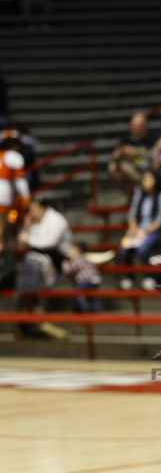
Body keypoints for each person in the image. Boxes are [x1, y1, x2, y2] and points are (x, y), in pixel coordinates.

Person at [15, 199, 72, 338]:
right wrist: (27, 227)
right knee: (27, 269)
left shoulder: (57, 220)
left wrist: (27, 240)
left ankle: (36, 321)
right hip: (35, 262)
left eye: (33, 209)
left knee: (32, 269)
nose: (30, 212)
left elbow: (48, 243)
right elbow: (21, 245)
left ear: (42, 208)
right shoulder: (32, 221)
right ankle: (28, 322)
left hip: (58, 261)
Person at [117, 170, 161, 289]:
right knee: (124, 249)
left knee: (142, 250)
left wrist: (145, 232)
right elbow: (132, 214)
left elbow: (160, 220)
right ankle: (128, 277)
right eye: (144, 179)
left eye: (149, 179)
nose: (146, 182)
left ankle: (149, 276)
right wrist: (133, 229)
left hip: (155, 231)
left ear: (155, 180)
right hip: (138, 231)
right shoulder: (139, 194)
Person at [108, 111, 156, 188]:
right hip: (130, 172)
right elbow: (114, 157)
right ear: (131, 126)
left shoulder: (152, 139)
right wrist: (121, 151)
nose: (137, 128)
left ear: (145, 126)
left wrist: (136, 153)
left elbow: (154, 158)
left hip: (147, 170)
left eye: (140, 125)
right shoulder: (125, 140)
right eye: (135, 125)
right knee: (118, 166)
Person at [0, 137, 30, 252]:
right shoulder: (12, 156)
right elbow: (20, 179)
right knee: (5, 226)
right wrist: (26, 197)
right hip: (3, 192)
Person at [62, 241, 102, 312]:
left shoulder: (78, 259)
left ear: (78, 250)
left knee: (80, 296)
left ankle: (84, 310)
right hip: (95, 281)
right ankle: (94, 311)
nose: (71, 251)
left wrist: (66, 261)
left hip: (84, 281)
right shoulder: (89, 258)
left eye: (73, 249)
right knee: (93, 298)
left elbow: (68, 270)